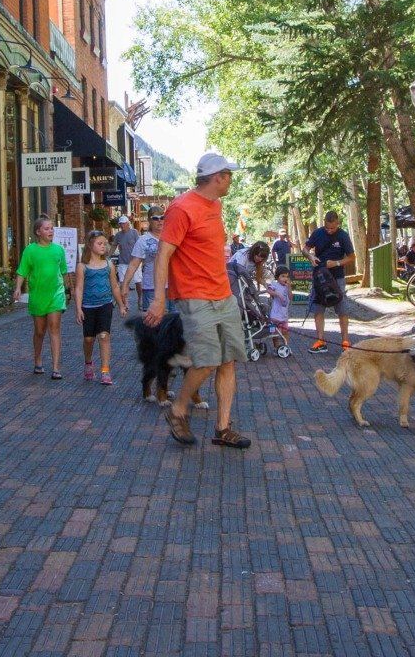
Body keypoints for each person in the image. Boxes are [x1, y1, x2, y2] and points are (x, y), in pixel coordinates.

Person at [145, 153, 252, 449]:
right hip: (194, 296)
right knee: (206, 361)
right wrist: (158, 299)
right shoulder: (181, 208)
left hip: (222, 294)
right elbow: (163, 255)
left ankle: (223, 428)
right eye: (228, 175)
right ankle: (179, 408)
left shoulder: (216, 206)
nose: (231, 179)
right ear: (217, 177)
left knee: (228, 360)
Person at [15, 217, 69, 379]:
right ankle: (38, 360)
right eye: (47, 229)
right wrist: (18, 287)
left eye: (52, 228)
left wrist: (68, 290)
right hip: (38, 295)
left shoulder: (59, 250)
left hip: (56, 294)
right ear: (38, 232)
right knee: (39, 331)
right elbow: (22, 271)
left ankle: (56, 367)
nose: (50, 231)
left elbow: (64, 272)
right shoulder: (30, 250)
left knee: (54, 328)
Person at [76, 228, 125, 384]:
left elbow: (115, 286)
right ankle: (88, 362)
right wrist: (78, 309)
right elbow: (79, 288)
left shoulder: (109, 264)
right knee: (89, 339)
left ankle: (105, 370)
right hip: (88, 306)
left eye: (105, 243)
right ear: (90, 245)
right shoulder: (82, 266)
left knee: (104, 336)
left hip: (105, 304)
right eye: (100, 243)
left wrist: (121, 305)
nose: (104, 246)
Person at [306, 210, 355, 353]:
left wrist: (337, 263)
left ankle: (345, 341)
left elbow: (352, 257)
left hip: (337, 277)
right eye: (327, 228)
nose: (329, 230)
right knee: (318, 308)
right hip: (319, 276)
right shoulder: (317, 233)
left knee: (342, 308)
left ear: (337, 223)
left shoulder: (343, 236)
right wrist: (310, 257)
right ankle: (321, 341)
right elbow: (305, 249)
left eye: (332, 228)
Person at [122, 215, 162, 313]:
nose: (159, 220)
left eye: (163, 217)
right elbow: (133, 264)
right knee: (152, 324)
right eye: (155, 218)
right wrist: (125, 285)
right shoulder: (143, 240)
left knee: (172, 325)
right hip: (151, 287)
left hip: (173, 287)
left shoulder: (173, 236)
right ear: (149, 221)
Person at [266, 264, 293, 354]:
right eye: (283, 276)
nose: (285, 279)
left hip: (284, 315)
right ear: (277, 277)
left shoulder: (287, 286)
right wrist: (277, 294)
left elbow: (290, 297)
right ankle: (276, 347)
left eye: (287, 277)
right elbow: (269, 290)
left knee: (285, 331)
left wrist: (289, 287)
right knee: (275, 333)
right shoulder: (275, 284)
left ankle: (286, 346)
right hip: (275, 315)